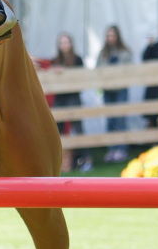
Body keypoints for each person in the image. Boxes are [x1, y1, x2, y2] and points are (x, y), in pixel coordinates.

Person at [50, 32, 91, 172]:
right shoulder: (55, 60)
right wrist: (55, 72)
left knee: (78, 129)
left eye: (66, 42)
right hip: (60, 97)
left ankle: (85, 160)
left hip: (73, 97)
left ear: (71, 44)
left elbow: (81, 77)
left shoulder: (78, 59)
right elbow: (50, 79)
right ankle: (58, 161)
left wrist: (65, 71)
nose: (64, 45)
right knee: (57, 130)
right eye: (62, 43)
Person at [96, 24, 132, 163]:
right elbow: (98, 69)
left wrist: (115, 68)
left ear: (117, 36)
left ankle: (121, 150)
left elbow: (127, 69)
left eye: (113, 35)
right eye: (108, 35)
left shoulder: (125, 52)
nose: (110, 38)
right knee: (110, 120)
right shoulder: (103, 53)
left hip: (121, 89)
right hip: (108, 89)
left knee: (120, 119)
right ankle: (112, 149)